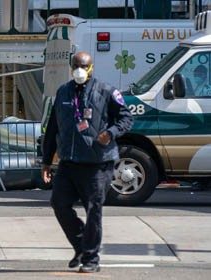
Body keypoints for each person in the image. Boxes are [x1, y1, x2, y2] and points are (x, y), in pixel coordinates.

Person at [41, 51, 133, 273]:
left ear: (91, 67)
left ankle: (91, 259)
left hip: (97, 163)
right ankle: (81, 245)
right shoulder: (63, 91)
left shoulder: (106, 91)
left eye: (84, 66)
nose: (79, 70)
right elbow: (52, 127)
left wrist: (110, 132)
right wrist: (46, 161)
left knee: (93, 210)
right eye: (76, 66)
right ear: (71, 67)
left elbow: (126, 118)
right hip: (69, 162)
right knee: (59, 204)